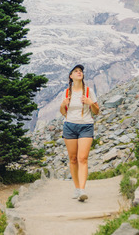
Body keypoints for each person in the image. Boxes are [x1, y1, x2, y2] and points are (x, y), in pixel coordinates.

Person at [59, 64, 100, 202]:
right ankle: (76, 188)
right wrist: (62, 104)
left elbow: (96, 111)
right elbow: (63, 112)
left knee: (82, 158)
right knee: (73, 159)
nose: (79, 72)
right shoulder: (66, 93)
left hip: (86, 126)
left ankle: (82, 189)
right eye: (76, 71)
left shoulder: (89, 91)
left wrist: (90, 103)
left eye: (81, 71)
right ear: (71, 76)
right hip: (69, 126)